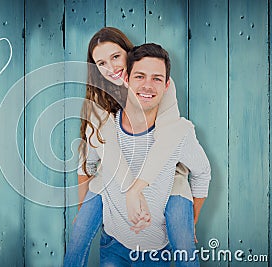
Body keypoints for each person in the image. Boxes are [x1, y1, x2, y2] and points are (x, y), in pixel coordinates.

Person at [63, 28, 210, 267]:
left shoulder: (156, 83)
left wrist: (136, 191)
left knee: (180, 230)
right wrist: (125, 193)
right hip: (113, 172)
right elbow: (97, 154)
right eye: (101, 62)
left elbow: (168, 140)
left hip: (167, 171)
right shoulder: (100, 98)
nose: (111, 68)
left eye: (115, 57)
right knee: (78, 234)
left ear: (129, 55)